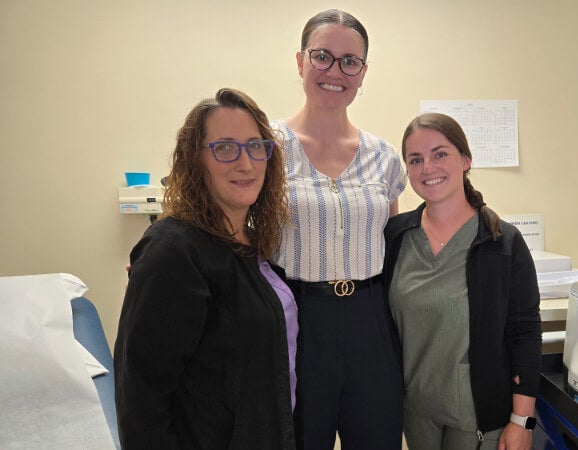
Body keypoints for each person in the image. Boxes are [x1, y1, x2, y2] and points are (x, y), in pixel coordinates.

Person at [115, 88, 296, 449]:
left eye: (255, 146)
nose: (245, 164)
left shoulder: (252, 241)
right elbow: (141, 397)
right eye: (225, 148)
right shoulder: (174, 251)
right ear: (195, 159)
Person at [271, 9, 406, 450]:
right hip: (296, 315)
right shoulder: (267, 148)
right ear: (300, 62)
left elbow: (393, 243)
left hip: (370, 317)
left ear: (363, 73)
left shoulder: (383, 157)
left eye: (350, 61)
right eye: (323, 56)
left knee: (378, 438)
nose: (335, 71)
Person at [384, 113, 543, 450]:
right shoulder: (397, 238)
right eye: (416, 159)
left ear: (465, 160)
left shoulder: (501, 243)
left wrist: (522, 422)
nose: (427, 167)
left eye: (440, 154)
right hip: (416, 410)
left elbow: (525, 332)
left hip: (477, 416)